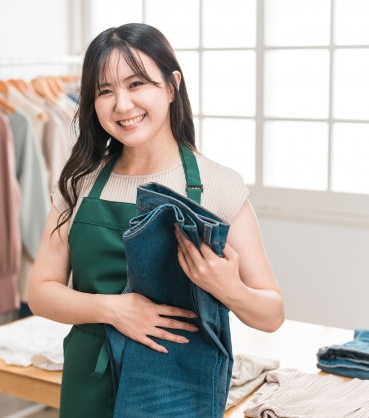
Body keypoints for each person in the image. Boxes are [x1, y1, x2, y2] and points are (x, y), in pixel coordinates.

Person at [27, 23, 284, 417]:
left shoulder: (217, 185)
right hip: (89, 382)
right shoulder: (79, 183)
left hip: (177, 388)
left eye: (136, 84)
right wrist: (115, 310)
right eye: (105, 91)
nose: (122, 105)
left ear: (170, 86)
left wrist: (228, 287)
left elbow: (271, 314)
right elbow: (41, 293)